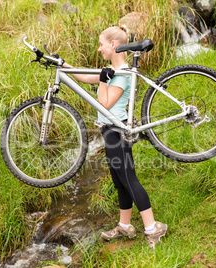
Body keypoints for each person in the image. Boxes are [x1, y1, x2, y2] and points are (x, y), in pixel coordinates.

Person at [63, 26, 167, 249]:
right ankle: (125, 225)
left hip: (116, 132)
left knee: (129, 179)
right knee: (119, 181)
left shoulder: (121, 74)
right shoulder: (112, 70)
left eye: (101, 44)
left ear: (113, 45)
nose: (99, 48)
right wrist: (62, 65)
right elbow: (83, 76)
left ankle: (153, 227)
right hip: (108, 131)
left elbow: (105, 104)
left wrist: (102, 81)